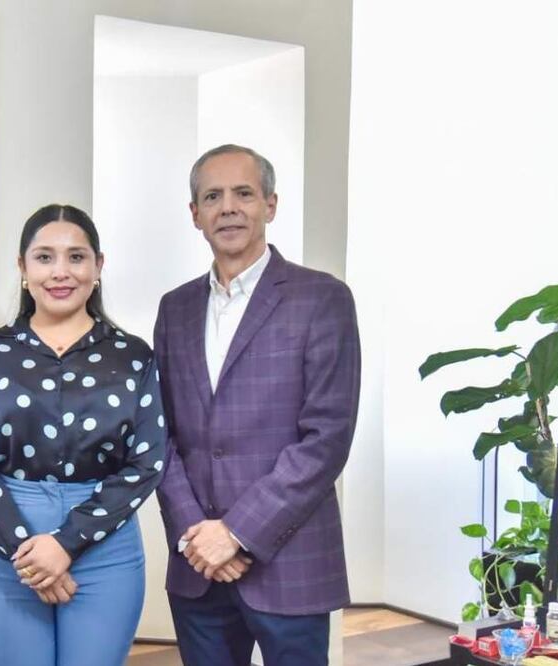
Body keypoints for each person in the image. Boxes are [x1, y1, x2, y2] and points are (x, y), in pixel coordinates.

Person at [154, 145, 361, 666]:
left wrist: (237, 533)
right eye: (212, 197)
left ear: (270, 204)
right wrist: (197, 535)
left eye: (243, 193)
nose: (228, 207)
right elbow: (160, 434)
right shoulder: (174, 309)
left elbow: (326, 439)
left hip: (291, 564)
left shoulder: (323, 299)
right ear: (195, 214)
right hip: (198, 567)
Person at [0, 204, 166, 666]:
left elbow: (147, 462)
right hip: (7, 546)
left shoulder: (133, 356)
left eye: (76, 257)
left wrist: (66, 543)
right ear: (23, 267)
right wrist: (28, 554)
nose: (60, 272)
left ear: (98, 267)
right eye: (44, 257)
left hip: (105, 550)